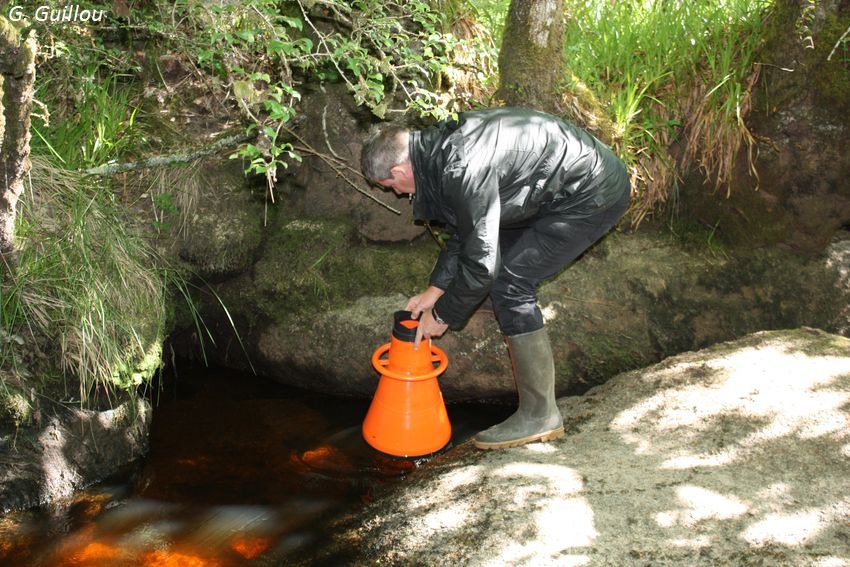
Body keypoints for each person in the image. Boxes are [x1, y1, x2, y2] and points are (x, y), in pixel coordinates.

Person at [360, 107, 630, 450]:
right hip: (548, 190)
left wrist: (443, 316)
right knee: (491, 273)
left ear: (398, 170)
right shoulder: (437, 152)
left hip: (590, 192)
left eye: (391, 185)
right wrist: (436, 288)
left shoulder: (462, 168)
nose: (398, 193)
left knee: (510, 284)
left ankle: (540, 415)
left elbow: (482, 264)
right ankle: (493, 309)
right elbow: (467, 228)